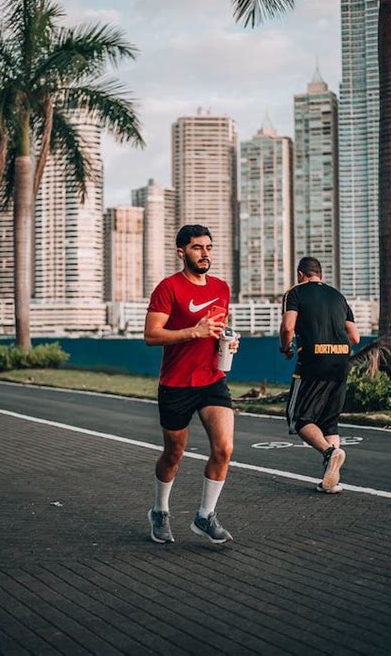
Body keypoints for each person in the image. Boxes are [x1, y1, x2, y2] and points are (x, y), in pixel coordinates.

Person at [144, 224, 240, 543]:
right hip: (176, 383)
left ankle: (204, 516)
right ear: (181, 251)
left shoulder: (222, 288)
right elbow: (151, 335)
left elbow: (216, 329)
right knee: (174, 453)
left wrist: (226, 341)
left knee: (224, 448)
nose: (205, 254)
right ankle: (160, 510)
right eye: (198, 248)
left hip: (212, 379)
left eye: (209, 248)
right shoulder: (168, 288)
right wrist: (192, 332)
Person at [280, 256, 360, 494]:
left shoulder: (295, 293)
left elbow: (287, 327)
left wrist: (286, 349)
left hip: (313, 361)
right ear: (320, 274)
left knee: (298, 419)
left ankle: (330, 453)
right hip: (341, 361)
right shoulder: (338, 296)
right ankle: (332, 480)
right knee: (329, 423)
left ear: (300, 274)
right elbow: (354, 337)